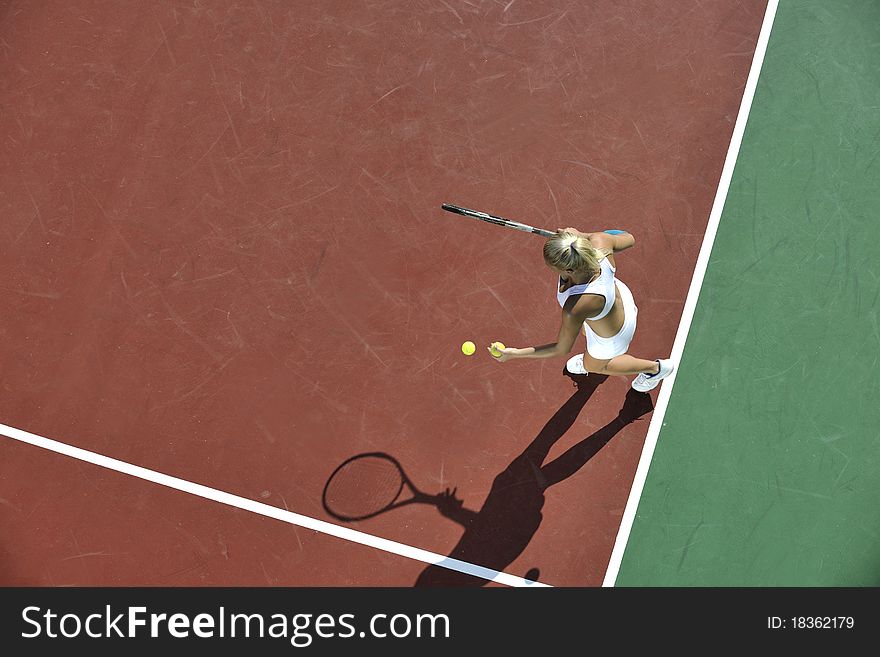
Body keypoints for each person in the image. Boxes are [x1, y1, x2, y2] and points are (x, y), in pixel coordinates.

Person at [490, 227, 674, 392]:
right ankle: (595, 356)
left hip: (613, 338)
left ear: (568, 270)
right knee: (587, 329)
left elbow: (561, 349)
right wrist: (582, 236)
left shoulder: (576, 307)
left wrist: (513, 353)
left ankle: (655, 369)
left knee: (593, 366)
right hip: (621, 302)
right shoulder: (600, 242)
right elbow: (628, 237)